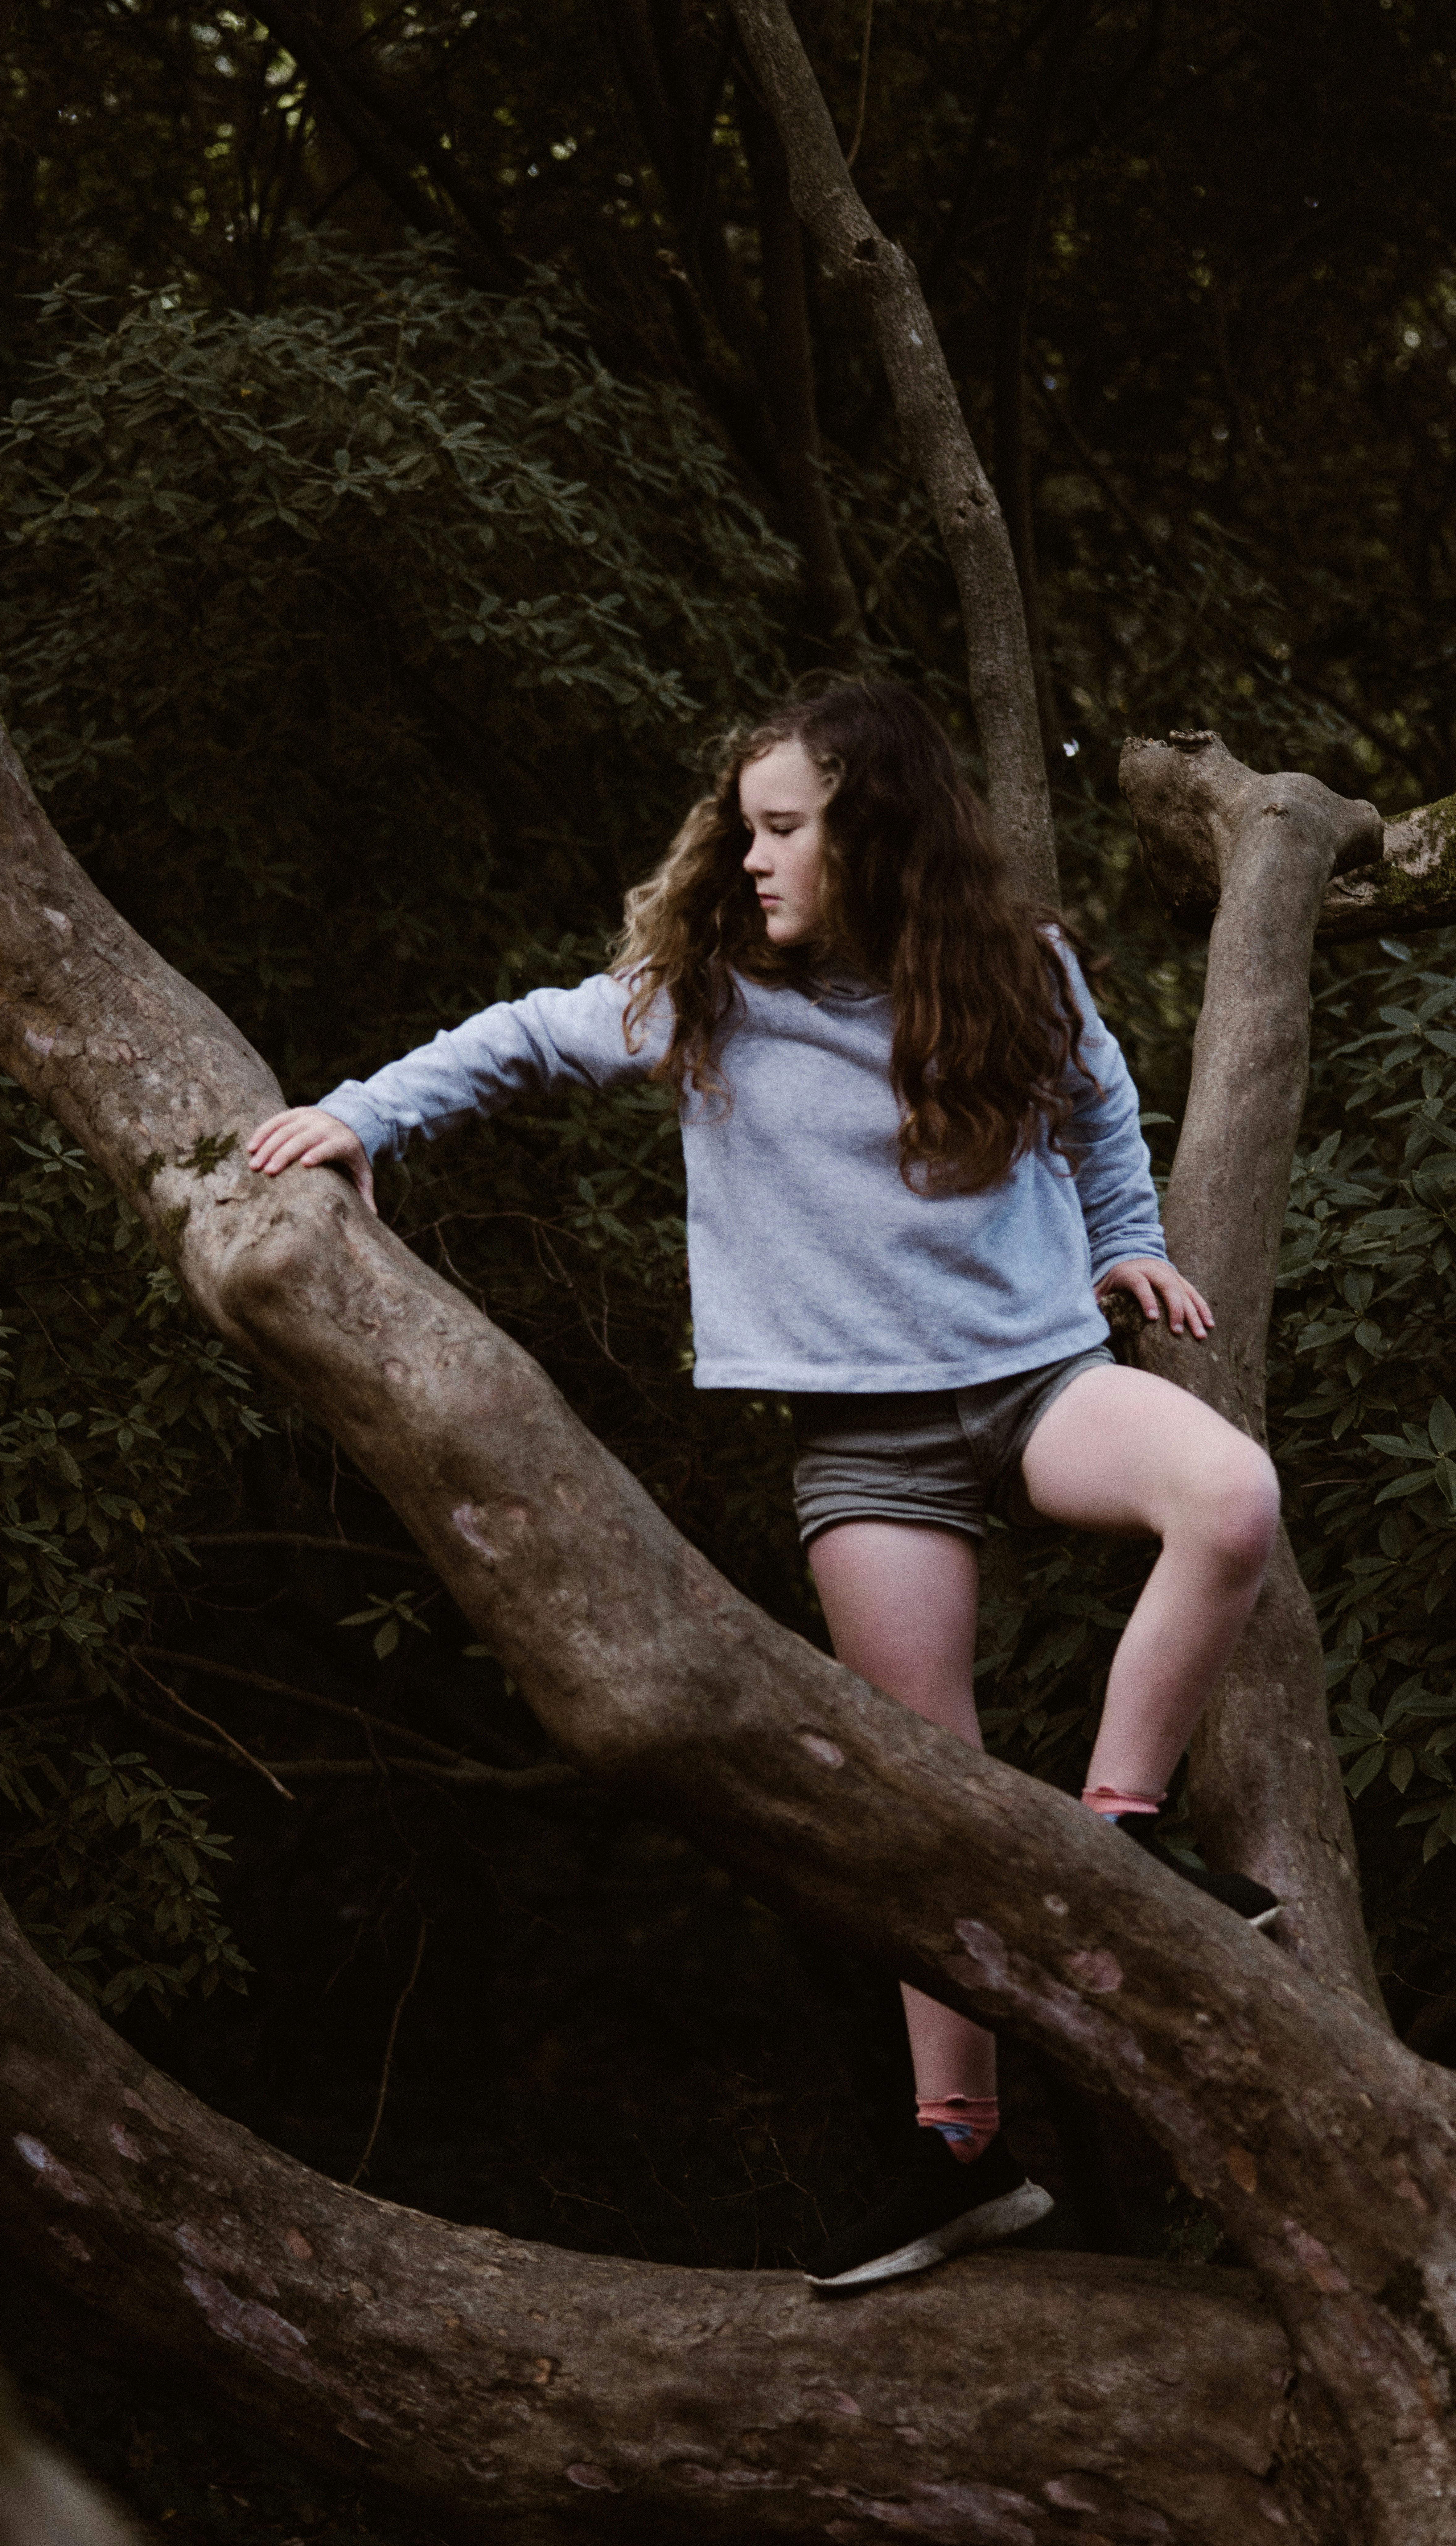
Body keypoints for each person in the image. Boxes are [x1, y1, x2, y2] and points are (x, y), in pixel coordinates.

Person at [247, 678, 1283, 2291]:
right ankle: (961, 2154)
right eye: (745, 831)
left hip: (1035, 1390)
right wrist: (357, 1115)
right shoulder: (712, 995)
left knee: (1230, 1499)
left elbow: (1097, 1114)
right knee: (934, 1808)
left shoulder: (1015, 972)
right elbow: (525, 1035)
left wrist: (1131, 1240)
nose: (752, 860)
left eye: (784, 828)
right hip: (865, 1446)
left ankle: (1122, 1827)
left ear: (871, 833)